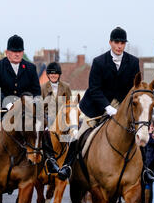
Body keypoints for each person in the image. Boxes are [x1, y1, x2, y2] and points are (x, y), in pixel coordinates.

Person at [58, 27, 141, 180]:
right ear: (110, 43)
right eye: (116, 42)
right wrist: (108, 107)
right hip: (96, 106)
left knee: (139, 135)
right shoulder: (99, 62)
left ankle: (145, 171)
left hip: (122, 107)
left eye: (122, 43)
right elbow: (94, 89)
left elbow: (134, 89)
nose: (119, 46)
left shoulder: (133, 62)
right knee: (79, 134)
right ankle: (67, 166)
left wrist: (122, 108)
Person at [0, 34, 59, 176]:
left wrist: (34, 104)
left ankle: (51, 159)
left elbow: (36, 91)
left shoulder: (30, 67)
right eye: (13, 52)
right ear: (7, 52)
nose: (17, 54)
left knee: (43, 125)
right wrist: (10, 103)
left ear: (22, 52)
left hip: (25, 106)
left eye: (19, 52)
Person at [41, 62, 72, 128]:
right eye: (51, 73)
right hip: (47, 120)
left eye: (55, 73)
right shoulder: (42, 88)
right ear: (48, 75)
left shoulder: (66, 87)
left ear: (59, 75)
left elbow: (70, 104)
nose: (53, 75)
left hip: (62, 119)